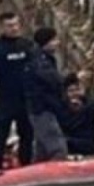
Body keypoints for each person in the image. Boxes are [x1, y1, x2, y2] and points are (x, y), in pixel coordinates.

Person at [0, 12, 35, 169]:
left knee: (27, 137)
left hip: (26, 101)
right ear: (2, 27)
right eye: (10, 26)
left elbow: (39, 71)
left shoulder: (28, 46)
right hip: (5, 101)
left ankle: (26, 168)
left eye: (17, 25)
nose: (15, 28)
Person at [23, 27, 68, 163]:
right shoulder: (40, 61)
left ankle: (35, 173)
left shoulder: (38, 58)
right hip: (42, 109)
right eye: (54, 40)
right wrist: (72, 78)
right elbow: (53, 80)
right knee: (58, 149)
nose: (58, 42)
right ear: (46, 42)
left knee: (42, 148)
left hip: (40, 108)